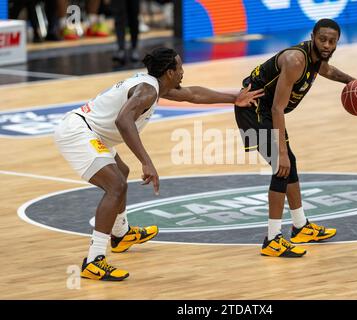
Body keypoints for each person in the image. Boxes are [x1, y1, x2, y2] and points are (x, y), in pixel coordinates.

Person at [54, 47, 264, 281]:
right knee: (115, 185)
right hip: (78, 132)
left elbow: (192, 95)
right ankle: (94, 261)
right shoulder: (147, 90)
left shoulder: (154, 85)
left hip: (91, 132)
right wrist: (147, 162)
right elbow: (123, 121)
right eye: (180, 67)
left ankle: (121, 233)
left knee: (121, 173)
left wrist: (235, 98)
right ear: (169, 72)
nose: (183, 72)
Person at [234, 18, 356, 257]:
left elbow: (327, 69)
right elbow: (277, 109)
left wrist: (352, 81)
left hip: (268, 112)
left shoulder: (316, 57)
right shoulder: (295, 60)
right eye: (322, 40)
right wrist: (280, 152)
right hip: (255, 111)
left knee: (291, 164)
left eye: (332, 42)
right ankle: (272, 240)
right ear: (313, 36)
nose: (327, 45)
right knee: (282, 166)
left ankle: (300, 227)